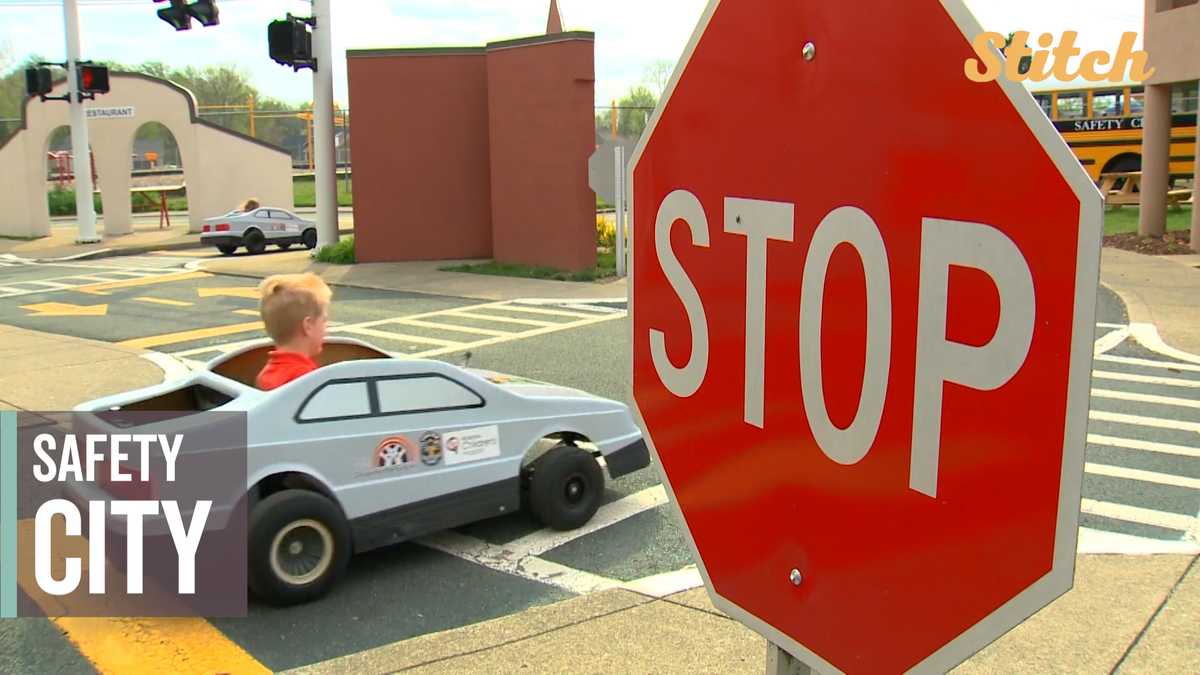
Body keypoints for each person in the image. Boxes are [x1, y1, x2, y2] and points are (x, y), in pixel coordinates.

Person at [255, 273, 331, 390]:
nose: (327, 327)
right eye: (324, 321)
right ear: (308, 326)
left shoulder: (265, 374)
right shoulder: (307, 378)